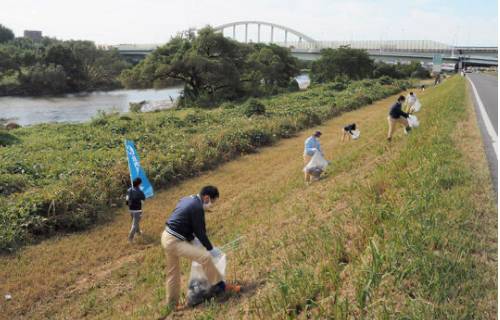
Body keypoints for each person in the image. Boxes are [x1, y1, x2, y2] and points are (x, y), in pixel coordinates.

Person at [161, 185, 240, 308]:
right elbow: (200, 232)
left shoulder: (188, 199)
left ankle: (172, 305)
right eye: (212, 202)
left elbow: (184, 222)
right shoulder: (197, 207)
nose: (212, 205)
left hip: (166, 236)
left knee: (173, 272)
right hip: (173, 241)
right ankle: (221, 287)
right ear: (206, 197)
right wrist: (211, 249)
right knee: (205, 257)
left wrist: (194, 240)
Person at [126, 177, 146, 242]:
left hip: (131, 209)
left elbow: (127, 199)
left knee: (135, 222)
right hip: (137, 210)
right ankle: (130, 239)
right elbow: (143, 198)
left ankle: (138, 232)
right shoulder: (140, 191)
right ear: (139, 184)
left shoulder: (129, 190)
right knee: (134, 224)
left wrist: (128, 204)